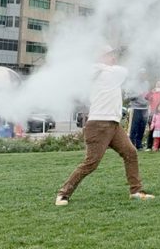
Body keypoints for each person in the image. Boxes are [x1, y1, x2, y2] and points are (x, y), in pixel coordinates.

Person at [55, 45, 154, 206]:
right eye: (109, 55)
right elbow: (118, 70)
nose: (113, 58)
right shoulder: (105, 72)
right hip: (98, 125)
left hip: (113, 124)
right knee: (91, 163)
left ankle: (136, 191)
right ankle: (63, 193)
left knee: (130, 153)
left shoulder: (107, 71)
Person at [126, 70, 150, 150]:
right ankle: (131, 145)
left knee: (142, 127)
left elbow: (147, 94)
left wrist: (148, 97)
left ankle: (139, 145)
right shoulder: (132, 84)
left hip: (145, 108)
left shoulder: (146, 83)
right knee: (134, 128)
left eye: (145, 74)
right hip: (135, 108)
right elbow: (128, 97)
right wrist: (138, 95)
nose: (143, 76)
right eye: (142, 74)